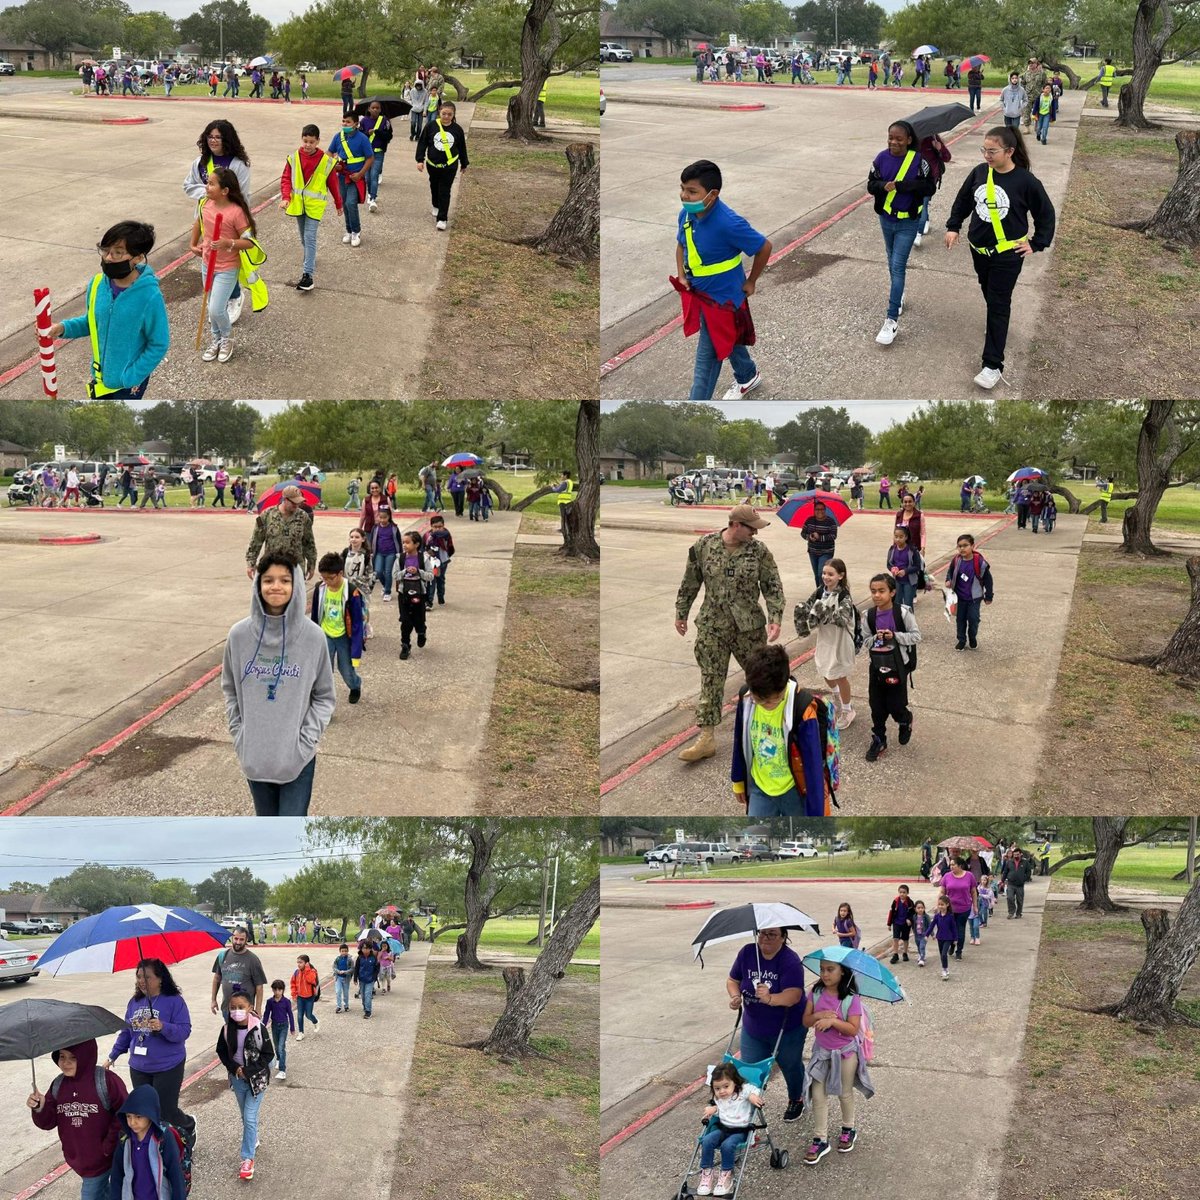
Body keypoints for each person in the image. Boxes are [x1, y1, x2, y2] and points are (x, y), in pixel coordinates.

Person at [221, 555, 336, 815]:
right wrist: (241, 736)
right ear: (257, 584)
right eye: (268, 580)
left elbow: (324, 697)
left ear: (296, 585)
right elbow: (229, 688)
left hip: (297, 758)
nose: (276, 586)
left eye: (285, 580)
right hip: (255, 757)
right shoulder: (238, 636)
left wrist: (305, 742)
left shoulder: (313, 637)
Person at [945, 125, 1056, 390]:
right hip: (979, 250)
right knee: (988, 290)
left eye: (992, 151)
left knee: (998, 302)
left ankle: (992, 364)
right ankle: (998, 325)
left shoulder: (1026, 182)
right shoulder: (980, 173)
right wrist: (953, 226)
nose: (987, 155)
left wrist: (1036, 243)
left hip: (1008, 255)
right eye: (984, 150)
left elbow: (1046, 214)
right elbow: (963, 201)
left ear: (1010, 151)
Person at [675, 505, 784, 763]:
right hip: (713, 625)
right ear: (735, 525)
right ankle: (707, 738)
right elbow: (690, 581)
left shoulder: (759, 552)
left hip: (748, 627)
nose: (755, 534)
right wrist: (681, 612)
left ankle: (771, 729)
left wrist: (775, 617)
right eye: (751, 528)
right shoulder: (704, 546)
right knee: (711, 679)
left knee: (761, 679)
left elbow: (773, 586)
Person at [674, 159, 771, 401]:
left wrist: (752, 281)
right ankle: (747, 375)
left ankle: (695, 407)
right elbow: (681, 244)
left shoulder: (728, 223)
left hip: (723, 301)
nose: (684, 196)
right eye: (682, 188)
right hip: (700, 293)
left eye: (692, 191)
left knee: (706, 361)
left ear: (712, 194)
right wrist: (682, 274)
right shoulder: (686, 215)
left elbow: (764, 247)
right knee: (728, 339)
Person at [46, 221, 168, 399]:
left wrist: (130, 376)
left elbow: (159, 343)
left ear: (138, 257)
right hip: (100, 378)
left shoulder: (149, 296)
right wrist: (63, 328)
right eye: (106, 250)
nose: (109, 257)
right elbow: (93, 322)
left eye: (118, 252)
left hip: (129, 384)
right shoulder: (96, 285)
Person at [102, 959, 196, 1152]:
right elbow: (127, 1032)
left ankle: (188, 1126)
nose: (141, 981)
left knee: (166, 1111)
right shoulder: (134, 1002)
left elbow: (184, 1031)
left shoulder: (174, 1001)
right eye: (138, 976)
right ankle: (156, 1146)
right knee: (146, 1110)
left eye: (147, 977)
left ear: (160, 979)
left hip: (168, 1065)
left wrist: (163, 1026)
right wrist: (113, 1056)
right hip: (139, 1067)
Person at [731, 644, 835, 817]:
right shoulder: (748, 699)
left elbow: (813, 767)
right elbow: (740, 740)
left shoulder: (802, 709)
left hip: (793, 791)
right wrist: (738, 780)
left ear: (783, 687)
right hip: (760, 787)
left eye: (770, 701)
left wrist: (817, 814)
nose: (765, 706)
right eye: (759, 701)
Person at [726, 927, 808, 1123]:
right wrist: (735, 996)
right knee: (750, 1071)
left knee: (790, 1065)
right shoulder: (747, 953)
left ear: (783, 937)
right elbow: (732, 980)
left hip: (787, 1027)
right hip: (754, 1027)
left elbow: (794, 995)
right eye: (762, 933)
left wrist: (771, 998)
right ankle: (745, 1114)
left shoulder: (790, 960)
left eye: (772, 934)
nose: (765, 938)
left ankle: (796, 1098)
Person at [28, 1040, 127, 1200]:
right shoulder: (59, 1084)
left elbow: (124, 1113)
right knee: (104, 1192)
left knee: (90, 1194)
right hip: (78, 1158)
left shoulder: (106, 1080)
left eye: (73, 1058)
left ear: (85, 1056)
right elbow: (48, 1122)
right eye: (62, 1056)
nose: (65, 1063)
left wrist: (108, 1146)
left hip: (102, 1159)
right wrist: (40, 1107)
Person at [868, 120, 935, 346]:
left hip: (908, 223)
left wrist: (903, 185)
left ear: (908, 140)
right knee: (890, 260)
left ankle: (891, 318)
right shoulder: (880, 158)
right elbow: (870, 184)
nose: (893, 142)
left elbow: (929, 187)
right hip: (886, 220)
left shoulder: (919, 161)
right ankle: (900, 295)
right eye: (890, 138)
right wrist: (882, 186)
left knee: (897, 265)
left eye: (898, 138)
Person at [801, 958, 873, 1162]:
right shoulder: (815, 993)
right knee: (818, 1093)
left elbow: (852, 1029)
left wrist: (832, 1021)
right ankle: (820, 1138)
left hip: (846, 1054)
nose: (825, 974)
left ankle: (848, 1128)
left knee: (844, 1092)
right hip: (822, 1053)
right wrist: (819, 1015)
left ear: (842, 972)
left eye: (830, 969)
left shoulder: (851, 998)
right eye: (822, 969)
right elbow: (805, 1020)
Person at [189, 166, 255, 364]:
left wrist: (229, 243)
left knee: (216, 309)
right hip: (207, 262)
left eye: (211, 184)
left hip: (227, 266)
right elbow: (198, 223)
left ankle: (227, 338)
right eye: (207, 182)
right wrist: (193, 244)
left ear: (225, 191)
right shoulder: (205, 203)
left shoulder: (237, 213)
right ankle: (216, 340)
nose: (206, 187)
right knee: (211, 305)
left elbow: (250, 242)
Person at [215, 986, 274, 1181]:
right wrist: (235, 1069)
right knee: (245, 1116)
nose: (236, 1011)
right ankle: (253, 1137)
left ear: (250, 1007)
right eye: (233, 1007)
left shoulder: (258, 1028)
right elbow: (222, 1052)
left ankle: (247, 1159)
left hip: (257, 1081)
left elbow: (268, 1054)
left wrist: (247, 1070)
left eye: (241, 1006)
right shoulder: (226, 1029)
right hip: (238, 1080)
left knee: (249, 1117)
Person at [793, 559, 858, 731]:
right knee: (825, 670)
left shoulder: (844, 596)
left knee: (840, 675)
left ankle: (847, 709)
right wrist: (803, 614)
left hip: (840, 641)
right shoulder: (821, 591)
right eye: (824, 573)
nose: (826, 577)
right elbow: (809, 607)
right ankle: (838, 697)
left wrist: (823, 612)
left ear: (840, 576)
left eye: (830, 574)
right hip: (825, 640)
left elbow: (843, 619)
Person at [278, 122, 341, 293]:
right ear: (302, 139)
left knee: (310, 237)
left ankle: (308, 276)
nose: (308, 145)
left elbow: (333, 183)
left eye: (311, 142)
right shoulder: (293, 158)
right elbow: (285, 179)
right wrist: (285, 197)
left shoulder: (326, 161)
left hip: (314, 206)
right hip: (298, 205)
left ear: (318, 141)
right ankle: (310, 259)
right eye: (305, 141)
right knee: (303, 239)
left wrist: (338, 203)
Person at [864, 573, 920, 762]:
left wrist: (895, 636)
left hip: (897, 666)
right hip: (877, 667)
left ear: (893, 592)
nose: (877, 595)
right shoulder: (869, 615)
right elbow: (865, 641)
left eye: (881, 591)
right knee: (876, 706)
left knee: (896, 705)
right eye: (873, 591)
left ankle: (905, 719)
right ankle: (879, 738)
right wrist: (876, 638)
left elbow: (915, 636)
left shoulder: (903, 613)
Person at [106, 1084, 188, 1200]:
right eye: (128, 1116)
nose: (132, 1122)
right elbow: (117, 1175)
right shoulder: (125, 1139)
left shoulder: (163, 1137)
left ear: (150, 1114)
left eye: (138, 1117)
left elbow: (175, 1173)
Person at [696, 1063, 763, 1197]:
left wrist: (752, 1096)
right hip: (724, 1128)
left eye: (726, 1086)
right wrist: (713, 1109)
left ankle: (726, 1175)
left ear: (735, 1083)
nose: (722, 1091)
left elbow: (755, 1091)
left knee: (727, 1146)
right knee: (706, 1140)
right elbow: (721, 1109)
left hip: (741, 1131)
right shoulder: (719, 1097)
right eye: (717, 1088)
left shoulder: (743, 1091)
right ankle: (707, 1173)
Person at [311, 550, 365, 704]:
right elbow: (315, 613)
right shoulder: (320, 588)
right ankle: (324, 701)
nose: (326, 581)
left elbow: (356, 623)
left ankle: (355, 685)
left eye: (330, 578)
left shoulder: (351, 591)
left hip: (343, 637)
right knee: (323, 671)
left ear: (340, 573)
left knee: (346, 670)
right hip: (325, 634)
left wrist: (356, 650)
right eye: (323, 578)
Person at [416, 100, 469, 231]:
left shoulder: (457, 130)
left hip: (450, 166)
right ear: (439, 112)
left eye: (449, 114)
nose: (446, 117)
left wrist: (464, 163)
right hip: (433, 165)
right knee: (434, 186)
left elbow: (462, 147)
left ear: (453, 115)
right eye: (444, 113)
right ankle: (435, 204)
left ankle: (442, 218)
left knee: (445, 190)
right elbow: (422, 143)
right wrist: (420, 160)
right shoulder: (431, 126)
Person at [245, 486, 317, 579]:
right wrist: (251, 563)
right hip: (272, 567)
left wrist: (311, 565)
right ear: (285, 499)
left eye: (298, 502)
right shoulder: (266, 515)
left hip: (295, 568)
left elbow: (309, 543)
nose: (296, 505)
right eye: (293, 502)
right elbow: (256, 540)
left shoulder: (303, 517)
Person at [328, 110, 374, 248]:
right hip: (341, 177)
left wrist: (360, 174)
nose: (345, 124)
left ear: (356, 124)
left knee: (351, 203)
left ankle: (356, 231)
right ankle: (348, 230)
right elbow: (329, 152)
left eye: (348, 122)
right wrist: (333, 164)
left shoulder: (362, 138)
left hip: (356, 178)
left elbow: (370, 158)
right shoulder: (338, 137)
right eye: (343, 121)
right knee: (344, 203)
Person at [944, 532, 994, 651]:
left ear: (972, 546)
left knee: (973, 619)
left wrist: (989, 596)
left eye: (965, 545)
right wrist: (948, 580)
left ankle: (972, 637)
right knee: (960, 620)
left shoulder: (980, 563)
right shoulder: (956, 561)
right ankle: (961, 640)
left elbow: (988, 580)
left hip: (974, 599)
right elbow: (950, 572)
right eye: (959, 546)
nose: (962, 548)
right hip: (959, 598)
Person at [210, 927, 268, 1018]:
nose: (238, 942)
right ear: (232, 938)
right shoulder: (222, 956)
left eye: (241, 939)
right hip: (227, 1008)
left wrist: (258, 1010)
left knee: (243, 1032)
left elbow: (259, 986)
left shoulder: (253, 959)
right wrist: (213, 1000)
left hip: (245, 1009)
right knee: (229, 1032)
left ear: (246, 940)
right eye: (236, 938)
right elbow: (217, 978)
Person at [395, 529, 434, 659]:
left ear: (416, 544)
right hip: (404, 593)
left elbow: (430, 576)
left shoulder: (424, 558)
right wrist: (405, 571)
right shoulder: (400, 558)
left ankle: (421, 632)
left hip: (419, 593)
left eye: (408, 542)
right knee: (405, 621)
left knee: (419, 619)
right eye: (403, 542)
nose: (404, 545)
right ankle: (405, 645)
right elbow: (394, 575)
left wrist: (418, 572)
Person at [914, 133, 951, 247]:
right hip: (915, 179)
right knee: (923, 203)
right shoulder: (912, 141)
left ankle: (918, 234)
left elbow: (947, 157)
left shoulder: (933, 138)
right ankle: (926, 222)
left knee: (923, 205)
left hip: (930, 179)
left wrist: (940, 148)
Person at [939, 856, 979, 961]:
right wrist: (939, 905)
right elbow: (942, 892)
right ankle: (952, 945)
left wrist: (975, 906)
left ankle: (959, 951)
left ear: (960, 865)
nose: (951, 867)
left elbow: (974, 892)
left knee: (960, 929)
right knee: (951, 929)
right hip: (950, 909)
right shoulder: (947, 876)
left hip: (964, 908)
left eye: (953, 865)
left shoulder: (969, 876)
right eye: (950, 865)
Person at [359, 100, 394, 210]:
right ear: (369, 109)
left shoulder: (385, 121)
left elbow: (389, 136)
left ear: (380, 109)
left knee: (374, 175)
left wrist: (379, 132)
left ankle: (372, 198)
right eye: (373, 107)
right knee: (367, 176)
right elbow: (359, 136)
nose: (375, 110)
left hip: (378, 152)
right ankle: (369, 193)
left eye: (377, 108)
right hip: (366, 153)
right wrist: (366, 134)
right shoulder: (364, 121)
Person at [799, 499, 839, 587]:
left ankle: (824, 593)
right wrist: (810, 537)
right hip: (813, 551)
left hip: (826, 552)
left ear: (825, 510)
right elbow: (803, 533)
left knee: (822, 574)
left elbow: (833, 536)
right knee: (817, 575)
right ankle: (819, 592)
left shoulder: (831, 521)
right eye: (817, 509)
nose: (819, 511)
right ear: (814, 510)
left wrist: (819, 537)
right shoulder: (809, 520)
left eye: (821, 509)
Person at [886, 526, 924, 613]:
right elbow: (888, 564)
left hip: (909, 581)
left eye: (901, 537)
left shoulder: (912, 550)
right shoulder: (892, 549)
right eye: (896, 536)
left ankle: (910, 623)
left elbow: (917, 566)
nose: (898, 539)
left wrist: (905, 571)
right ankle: (898, 622)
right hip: (897, 581)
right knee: (897, 603)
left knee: (907, 604)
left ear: (906, 537)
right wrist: (892, 569)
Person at [262, 979, 295, 1080]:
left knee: (281, 1047)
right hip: (274, 1026)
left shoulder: (286, 1002)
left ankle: (282, 1070)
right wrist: (263, 1025)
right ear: (272, 990)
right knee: (276, 1046)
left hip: (284, 1026)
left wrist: (292, 1027)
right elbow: (267, 1014)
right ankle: (278, 1059)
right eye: (275, 990)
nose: (277, 992)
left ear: (283, 990)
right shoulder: (270, 1002)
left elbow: (290, 1014)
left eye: (279, 990)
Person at [368, 505, 401, 601]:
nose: (382, 520)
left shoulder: (394, 528)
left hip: (391, 553)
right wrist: (370, 551)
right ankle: (385, 585)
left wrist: (399, 553)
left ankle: (387, 592)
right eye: (380, 517)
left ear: (389, 517)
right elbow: (372, 540)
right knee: (377, 571)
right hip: (379, 553)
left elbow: (398, 541)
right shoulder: (376, 528)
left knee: (388, 572)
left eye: (384, 517)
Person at [424, 514, 455, 606]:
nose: (437, 529)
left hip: (443, 561)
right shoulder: (427, 535)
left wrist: (433, 534)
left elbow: (441, 535)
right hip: (432, 562)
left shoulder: (445, 534)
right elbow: (423, 546)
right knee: (431, 580)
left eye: (440, 527)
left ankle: (441, 596)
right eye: (435, 527)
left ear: (443, 526)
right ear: (431, 526)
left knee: (440, 580)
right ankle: (429, 601)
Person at [289, 954, 321, 1039]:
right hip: (300, 997)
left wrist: (307, 969)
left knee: (308, 1015)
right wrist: (294, 994)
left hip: (310, 997)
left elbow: (310, 980)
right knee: (300, 1015)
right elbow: (293, 984)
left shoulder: (312, 971)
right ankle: (301, 1033)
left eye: (301, 962)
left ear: (306, 963)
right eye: (297, 962)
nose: (298, 964)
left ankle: (316, 1021)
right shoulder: (296, 972)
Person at [929, 895, 958, 978]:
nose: (940, 906)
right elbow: (931, 926)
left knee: (944, 954)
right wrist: (927, 934)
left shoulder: (950, 916)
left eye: (942, 904)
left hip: (948, 938)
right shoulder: (937, 916)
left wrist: (955, 939)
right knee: (942, 955)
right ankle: (945, 968)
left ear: (947, 905)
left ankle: (944, 970)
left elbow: (954, 928)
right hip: (940, 938)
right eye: (939, 904)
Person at [886, 884, 914, 963]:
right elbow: (891, 912)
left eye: (904, 892)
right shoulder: (895, 901)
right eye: (900, 892)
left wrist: (909, 919)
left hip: (905, 924)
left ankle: (905, 953)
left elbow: (913, 913)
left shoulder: (910, 902)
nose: (902, 894)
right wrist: (889, 924)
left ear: (907, 893)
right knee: (895, 938)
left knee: (905, 939)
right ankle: (895, 954)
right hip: (896, 922)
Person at [353, 939, 381, 1018]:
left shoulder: (373, 958)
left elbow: (377, 968)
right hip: (361, 979)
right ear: (361, 949)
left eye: (367, 948)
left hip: (370, 980)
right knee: (363, 995)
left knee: (368, 995)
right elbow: (356, 968)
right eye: (364, 948)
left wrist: (374, 977)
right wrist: (355, 978)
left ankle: (368, 1011)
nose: (365, 950)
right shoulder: (359, 958)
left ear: (370, 949)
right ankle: (365, 1007)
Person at [1002, 847, 1033, 917]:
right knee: (1009, 898)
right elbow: (1005, 872)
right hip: (1010, 884)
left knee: (1020, 900)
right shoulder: (1009, 862)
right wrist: (1002, 881)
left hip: (1020, 885)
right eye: (1014, 854)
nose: (1016, 856)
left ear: (1020, 854)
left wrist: (1024, 879)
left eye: (1017, 854)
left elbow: (1028, 872)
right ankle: (1011, 912)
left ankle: (1019, 913)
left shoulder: (1025, 862)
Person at [1020, 58, 1048, 130]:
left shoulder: (1042, 74)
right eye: (1029, 63)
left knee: (1037, 112)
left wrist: (1043, 92)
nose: (1031, 65)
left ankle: (1037, 126)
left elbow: (1045, 84)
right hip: (1027, 96)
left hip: (1037, 96)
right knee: (1026, 112)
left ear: (1036, 64)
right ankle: (1027, 128)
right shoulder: (1026, 74)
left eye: (1032, 63)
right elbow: (1023, 83)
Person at [333, 942, 354, 1012]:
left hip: (346, 978)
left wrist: (346, 972)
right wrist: (338, 971)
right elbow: (334, 967)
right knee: (338, 991)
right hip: (338, 977)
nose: (344, 952)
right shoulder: (338, 959)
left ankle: (346, 1005)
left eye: (345, 951)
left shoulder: (350, 959)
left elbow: (352, 969)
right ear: (340, 951)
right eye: (342, 951)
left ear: (347, 951)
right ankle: (339, 1006)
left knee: (345, 993)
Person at [911, 900, 932, 966]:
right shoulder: (914, 916)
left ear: (924, 908)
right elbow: (913, 925)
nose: (920, 909)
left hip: (924, 935)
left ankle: (922, 960)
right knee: (918, 946)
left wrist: (932, 934)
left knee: (922, 947)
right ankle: (921, 955)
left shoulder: (926, 917)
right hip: (917, 935)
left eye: (922, 908)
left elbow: (930, 925)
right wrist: (912, 931)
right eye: (918, 908)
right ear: (915, 909)